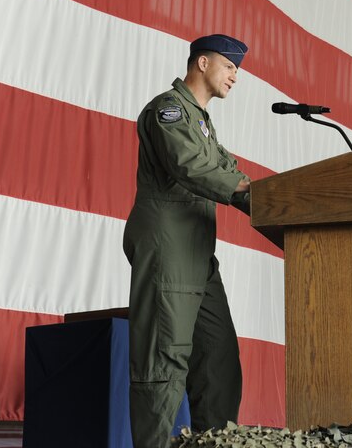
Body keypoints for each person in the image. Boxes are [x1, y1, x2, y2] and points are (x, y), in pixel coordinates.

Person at [123, 34, 253, 448]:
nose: (235, 76)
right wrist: (247, 193)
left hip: (199, 259)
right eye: (229, 67)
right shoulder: (170, 110)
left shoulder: (201, 123)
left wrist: (272, 198)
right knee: (162, 366)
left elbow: (228, 167)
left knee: (219, 367)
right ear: (201, 63)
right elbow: (192, 165)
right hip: (169, 255)